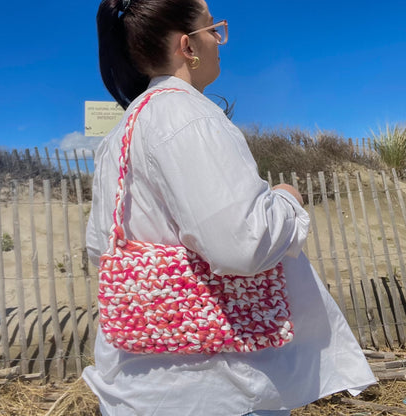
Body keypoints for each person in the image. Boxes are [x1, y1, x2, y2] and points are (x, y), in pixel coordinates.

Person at [83, 0, 376, 415]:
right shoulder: (188, 116)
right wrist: (286, 200)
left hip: (138, 388)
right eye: (212, 28)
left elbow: (103, 250)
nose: (220, 41)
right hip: (216, 386)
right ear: (188, 46)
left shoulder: (121, 133)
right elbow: (244, 243)